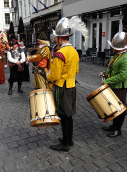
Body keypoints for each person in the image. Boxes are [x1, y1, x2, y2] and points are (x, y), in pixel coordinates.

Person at [47, 17, 85, 152]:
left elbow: (55, 75)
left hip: (62, 87)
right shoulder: (74, 51)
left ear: (60, 38)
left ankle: (65, 144)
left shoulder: (60, 53)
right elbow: (76, 70)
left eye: (55, 37)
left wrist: (48, 74)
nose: (54, 39)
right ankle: (68, 139)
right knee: (68, 116)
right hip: (71, 85)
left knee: (64, 116)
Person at [100, 32, 127, 138]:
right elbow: (111, 68)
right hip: (113, 86)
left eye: (113, 47)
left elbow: (122, 76)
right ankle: (113, 126)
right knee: (113, 108)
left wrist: (106, 81)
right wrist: (104, 74)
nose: (111, 48)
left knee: (120, 109)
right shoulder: (117, 55)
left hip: (120, 88)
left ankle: (118, 130)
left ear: (119, 48)